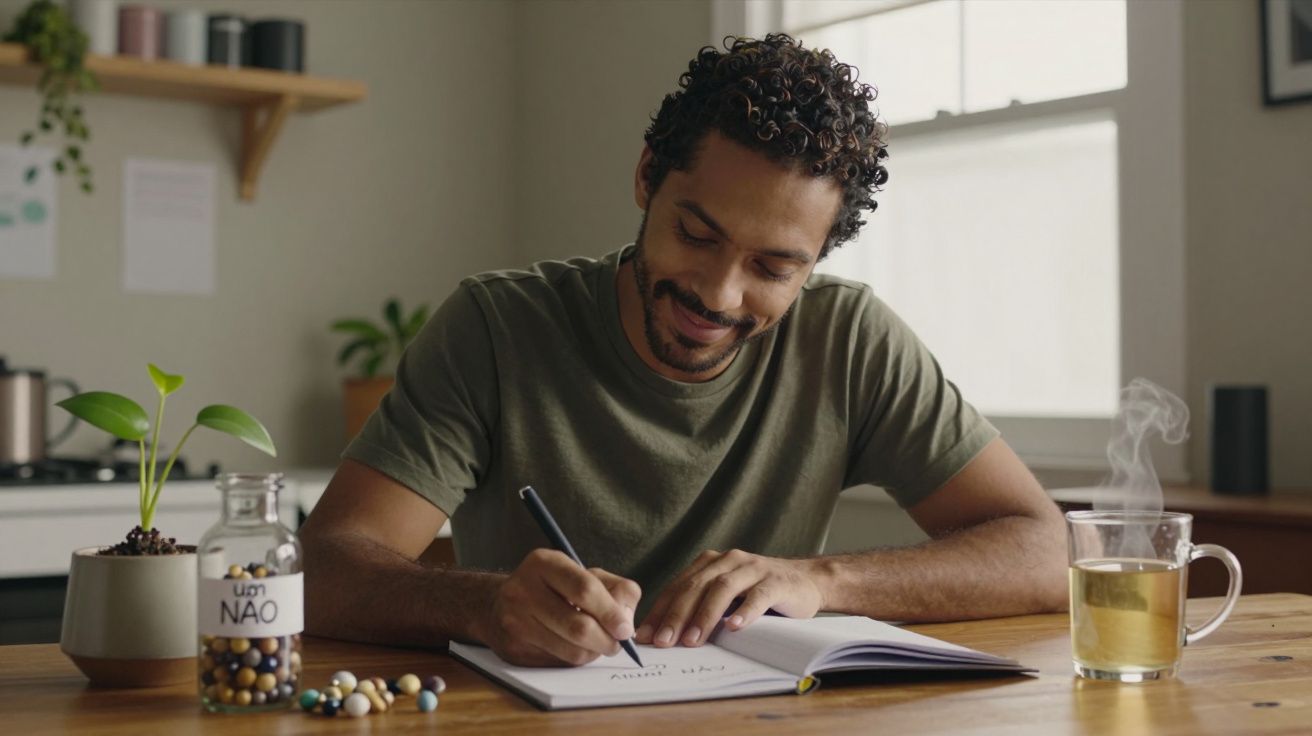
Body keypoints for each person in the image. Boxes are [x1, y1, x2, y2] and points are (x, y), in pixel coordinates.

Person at [298, 34, 1067, 668]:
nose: (721, 296)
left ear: (818, 259)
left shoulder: (851, 340)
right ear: (646, 177)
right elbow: (325, 570)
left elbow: (1042, 550)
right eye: (697, 235)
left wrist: (820, 580)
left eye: (774, 267)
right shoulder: (497, 329)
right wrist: (487, 604)